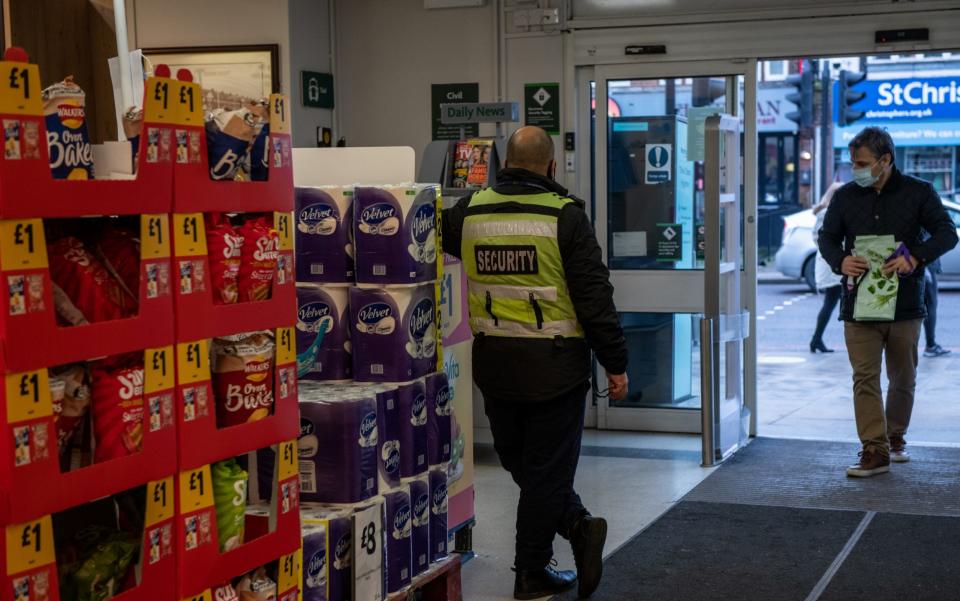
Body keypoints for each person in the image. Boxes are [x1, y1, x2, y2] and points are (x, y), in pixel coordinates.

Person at [442, 126, 629, 599]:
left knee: (523, 463)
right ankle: (535, 569)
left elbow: (432, 241)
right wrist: (616, 362)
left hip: (496, 365)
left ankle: (570, 535)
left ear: (505, 161)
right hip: (555, 368)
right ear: (550, 166)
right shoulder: (565, 216)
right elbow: (593, 295)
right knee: (543, 470)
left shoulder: (468, 211)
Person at [819, 127, 958, 477]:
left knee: (902, 378)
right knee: (864, 377)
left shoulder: (919, 193)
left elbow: (947, 233)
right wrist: (840, 261)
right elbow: (827, 237)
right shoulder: (846, 196)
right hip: (859, 304)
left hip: (905, 304)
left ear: (885, 161)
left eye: (863, 163)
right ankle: (874, 449)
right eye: (853, 163)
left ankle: (895, 437)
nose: (856, 169)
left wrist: (915, 257)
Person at [810, 182, 844, 353]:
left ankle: (816, 340)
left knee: (832, 303)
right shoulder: (826, 214)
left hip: (834, 264)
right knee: (833, 302)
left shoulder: (831, 211)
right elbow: (819, 239)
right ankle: (816, 339)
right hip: (831, 265)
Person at [922, 257, 950, 357]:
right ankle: (930, 345)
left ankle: (931, 345)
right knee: (930, 306)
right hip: (925, 266)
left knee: (929, 305)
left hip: (927, 265)